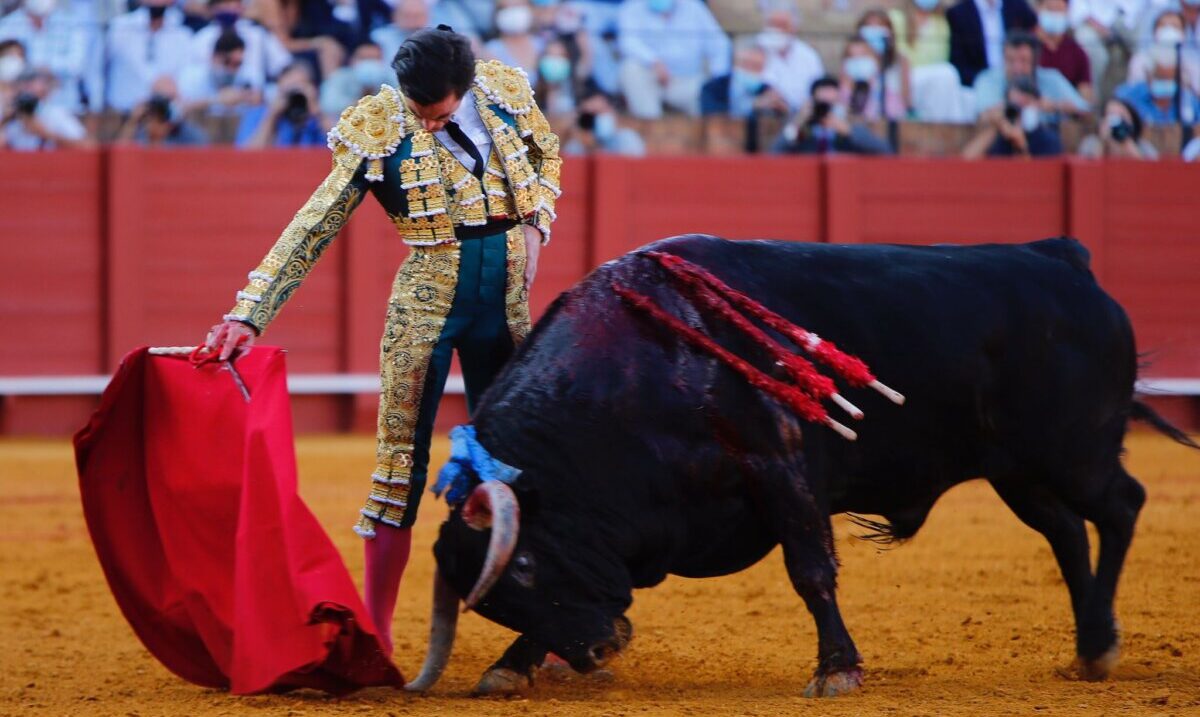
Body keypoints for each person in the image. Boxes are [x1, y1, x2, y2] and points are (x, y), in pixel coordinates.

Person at [202, 25, 561, 655]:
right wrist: (248, 314)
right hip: (425, 303)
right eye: (416, 110)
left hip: (505, 302)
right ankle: (377, 632)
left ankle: (547, 625)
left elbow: (546, 157)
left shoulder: (503, 91)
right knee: (399, 469)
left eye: (439, 112)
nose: (424, 124)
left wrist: (536, 223)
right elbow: (315, 222)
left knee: (526, 463)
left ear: (466, 87)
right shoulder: (378, 125)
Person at [617, 0, 732, 119]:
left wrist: (717, 83)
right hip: (652, 78)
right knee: (630, 69)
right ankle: (651, 125)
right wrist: (654, 61)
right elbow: (627, 42)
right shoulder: (632, 7)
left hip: (688, 81)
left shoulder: (693, 7)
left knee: (711, 101)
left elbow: (719, 45)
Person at [0, 0, 104, 115]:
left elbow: (76, 65)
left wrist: (33, 69)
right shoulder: (6, 26)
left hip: (64, 106)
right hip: (17, 110)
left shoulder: (72, 24)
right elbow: (7, 69)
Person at [106, 0, 195, 114]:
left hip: (164, 115)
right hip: (120, 112)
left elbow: (185, 74)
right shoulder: (119, 28)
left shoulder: (183, 34)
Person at [973, 31, 1090, 116]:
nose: (1017, 68)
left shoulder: (1052, 79)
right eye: (1010, 61)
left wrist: (1053, 106)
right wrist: (1014, 104)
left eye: (1023, 61)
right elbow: (981, 115)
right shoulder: (988, 79)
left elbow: (1084, 110)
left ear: (1035, 62)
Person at [773, 75, 893, 155]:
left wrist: (847, 131)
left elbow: (884, 151)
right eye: (823, 105)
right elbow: (776, 152)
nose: (826, 110)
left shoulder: (851, 123)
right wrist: (799, 121)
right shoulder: (803, 129)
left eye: (832, 104)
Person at [190, 0, 292, 92]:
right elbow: (198, 78)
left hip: (256, 99)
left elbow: (283, 65)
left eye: (233, 3)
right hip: (214, 100)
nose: (229, 8)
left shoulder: (257, 33)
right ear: (213, 8)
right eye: (224, 4)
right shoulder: (201, 38)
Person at [963, 75, 1064, 155]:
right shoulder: (1000, 136)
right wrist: (995, 126)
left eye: (1025, 105)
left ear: (1037, 104)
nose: (1020, 112)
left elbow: (1037, 177)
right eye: (1016, 106)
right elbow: (966, 164)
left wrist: (1020, 146)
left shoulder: (1048, 140)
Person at [947, 0, 1038, 85]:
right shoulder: (959, 13)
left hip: (1020, 82)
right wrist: (985, 82)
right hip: (978, 84)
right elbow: (959, 62)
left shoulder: (1017, 6)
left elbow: (1033, 37)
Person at [236, 61, 325, 147]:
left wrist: (318, 113)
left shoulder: (317, 117)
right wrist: (271, 116)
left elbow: (338, 149)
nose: (295, 93)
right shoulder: (258, 114)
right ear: (279, 88)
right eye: (290, 86)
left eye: (300, 86)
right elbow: (247, 156)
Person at [177, 29, 262, 118]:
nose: (231, 69)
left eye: (237, 64)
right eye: (227, 62)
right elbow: (180, 108)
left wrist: (248, 98)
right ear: (213, 57)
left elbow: (263, 103)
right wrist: (217, 100)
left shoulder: (249, 75)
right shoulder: (192, 76)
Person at [1, 66, 90, 149]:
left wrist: (45, 133)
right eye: (23, 84)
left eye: (30, 85)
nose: (26, 90)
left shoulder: (55, 114)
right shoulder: (10, 114)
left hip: (49, 163)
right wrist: (4, 121)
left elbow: (86, 146)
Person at [1068, 0, 1142, 102]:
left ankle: (1136, 107)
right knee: (1091, 48)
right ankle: (1092, 105)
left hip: (1131, 20)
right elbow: (1079, 9)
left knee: (1144, 52)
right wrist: (1098, 27)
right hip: (1093, 22)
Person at [759, 4, 824, 112]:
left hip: (800, 117)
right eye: (773, 24)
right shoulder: (753, 50)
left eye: (783, 25)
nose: (777, 30)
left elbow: (817, 91)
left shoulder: (809, 56)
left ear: (794, 28)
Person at [116, 76, 209, 146]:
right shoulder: (140, 131)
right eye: (162, 100)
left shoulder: (191, 135)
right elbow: (120, 159)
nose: (167, 106)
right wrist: (133, 121)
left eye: (172, 99)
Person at [1115, 46, 1200, 122]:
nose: (1167, 83)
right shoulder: (1126, 97)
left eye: (1171, 79)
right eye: (1162, 78)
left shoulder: (1188, 101)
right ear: (1148, 76)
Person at [1127, 9, 1200, 94]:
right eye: (1163, 26)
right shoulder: (1140, 61)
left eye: (1175, 26)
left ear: (1183, 35)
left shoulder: (1192, 65)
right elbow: (1134, 92)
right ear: (1155, 32)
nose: (1169, 30)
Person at [1036, 0, 1094, 102]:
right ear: (1038, 9)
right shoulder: (1027, 47)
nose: (1054, 15)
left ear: (1067, 11)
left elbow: (1086, 100)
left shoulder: (1077, 53)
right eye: (1050, 10)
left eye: (1058, 10)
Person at [319, 40, 392, 119]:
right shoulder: (340, 76)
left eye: (374, 58)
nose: (369, 63)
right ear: (352, 60)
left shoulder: (389, 79)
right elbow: (329, 104)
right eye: (364, 58)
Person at [840, 35, 905, 122]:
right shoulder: (839, 95)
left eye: (863, 55)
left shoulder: (886, 95)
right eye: (852, 57)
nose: (858, 62)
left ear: (875, 59)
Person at [563, 88, 646, 155]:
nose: (594, 120)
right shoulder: (574, 148)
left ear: (612, 113)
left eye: (599, 113)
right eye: (589, 116)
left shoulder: (628, 140)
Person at [484, 0, 545, 83]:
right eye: (506, 8)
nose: (514, 13)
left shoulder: (542, 44)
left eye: (518, 6)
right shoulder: (491, 50)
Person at [1077, 97, 1159, 156]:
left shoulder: (1144, 146)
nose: (1118, 123)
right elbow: (1088, 171)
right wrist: (1103, 143)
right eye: (1112, 117)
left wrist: (1130, 147)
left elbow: (1151, 173)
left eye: (1122, 117)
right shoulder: (1090, 143)